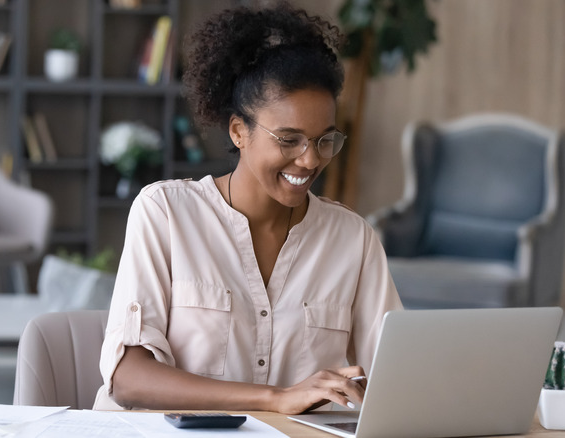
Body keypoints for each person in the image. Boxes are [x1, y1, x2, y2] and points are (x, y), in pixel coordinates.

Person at [93, 1, 402, 415]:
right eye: (289, 140)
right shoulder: (165, 213)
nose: (310, 160)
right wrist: (277, 399)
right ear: (239, 131)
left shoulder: (352, 239)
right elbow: (128, 379)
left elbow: (395, 375)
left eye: (324, 140)